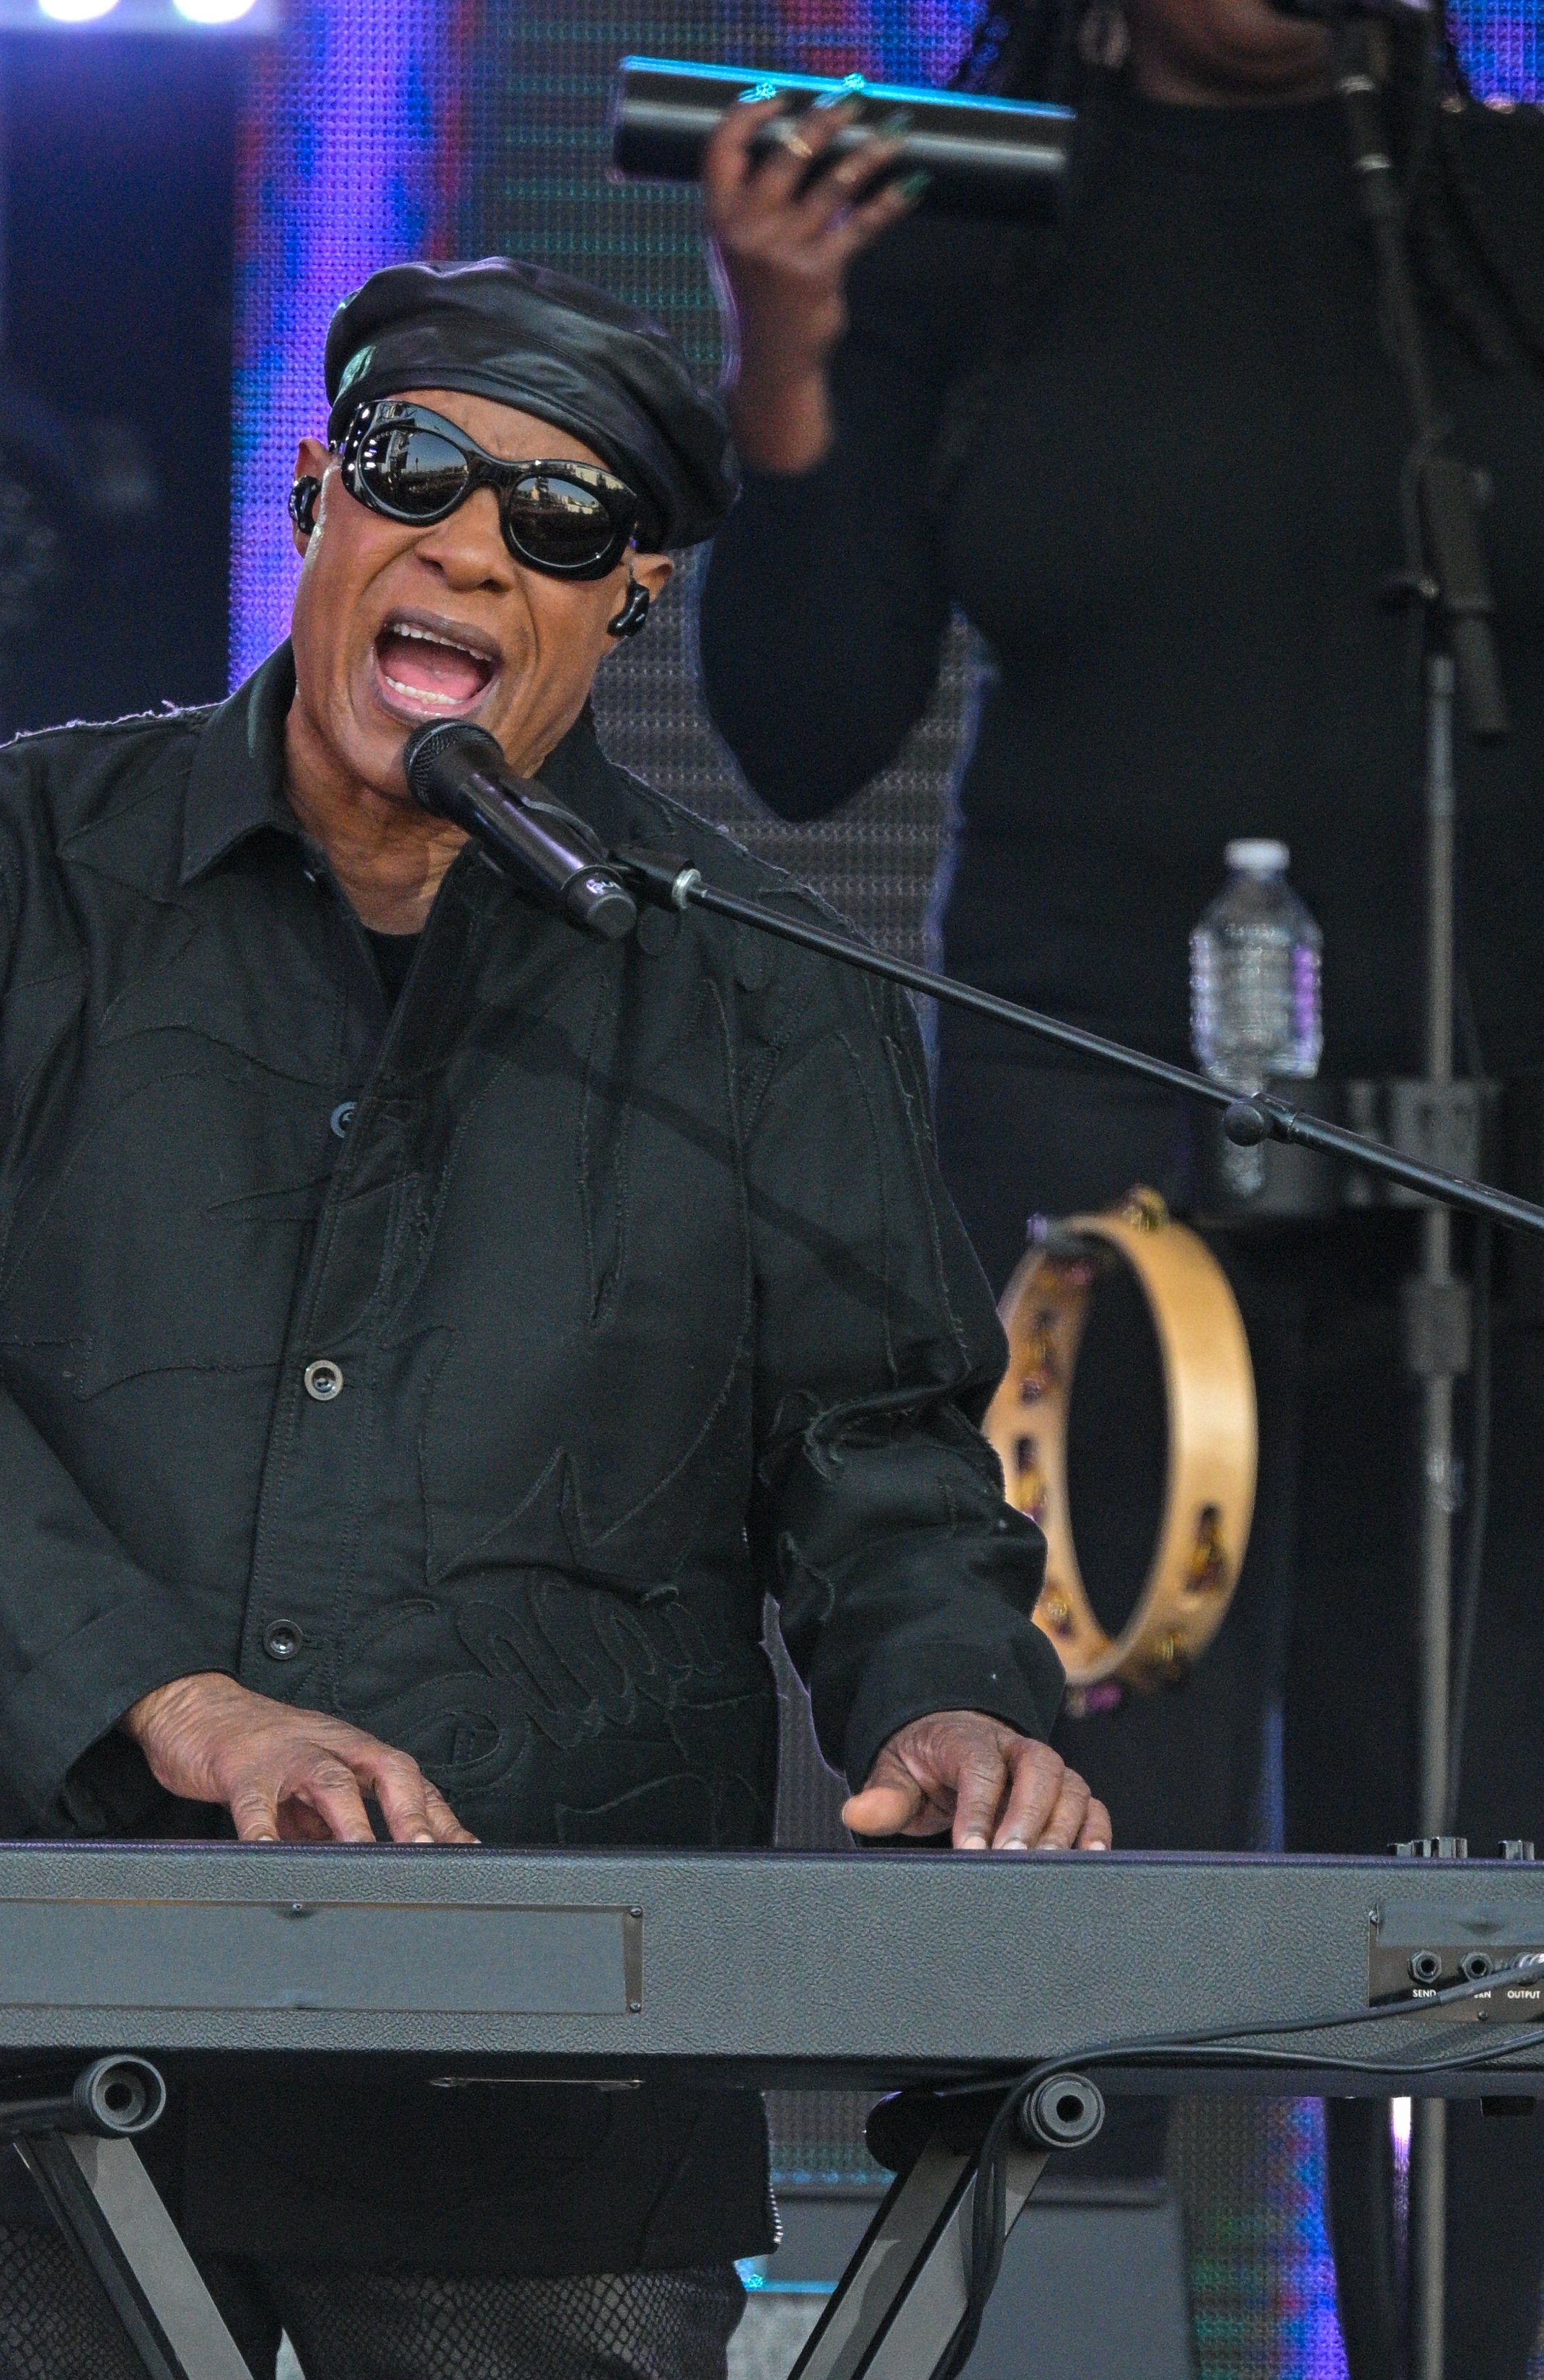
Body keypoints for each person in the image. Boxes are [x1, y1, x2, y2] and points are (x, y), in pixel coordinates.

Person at [0, 255, 1110, 2380]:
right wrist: (159, 1697)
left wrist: (946, 1691)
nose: (468, 538)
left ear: (624, 596)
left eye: (555, 520)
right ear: (314, 501)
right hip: (3, 2000)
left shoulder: (753, 986)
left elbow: (881, 1451)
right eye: (415, 471)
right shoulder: (10, 863)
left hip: (522, 2068)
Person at [696, 6, 1544, 2373]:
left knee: (1484, 1905)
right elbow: (797, 720)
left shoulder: (1485, 222)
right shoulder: (965, 221)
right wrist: (787, 345)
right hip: (1107, 1219)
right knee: (1081, 1853)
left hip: (1481, 1207)